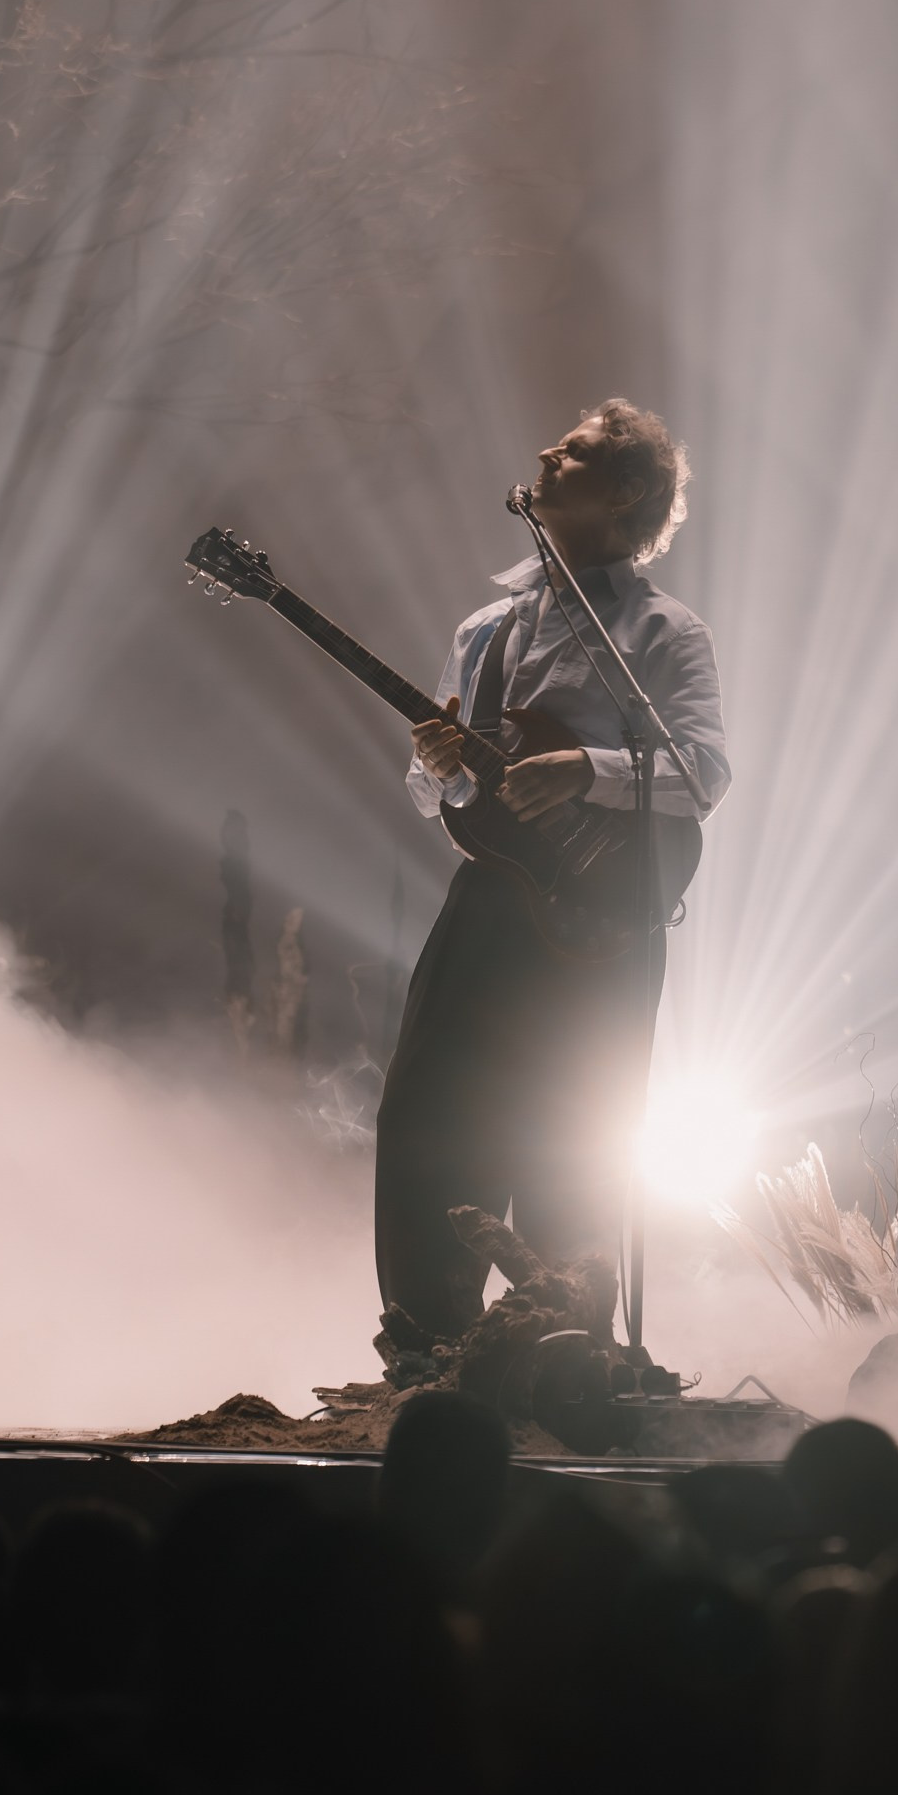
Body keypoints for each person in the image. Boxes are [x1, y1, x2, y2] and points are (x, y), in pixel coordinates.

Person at [374, 399, 729, 1346]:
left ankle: (564, 1352)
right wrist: (443, 763)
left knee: (572, 1136)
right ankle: (426, 1343)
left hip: (602, 919)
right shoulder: (486, 630)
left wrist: (584, 770)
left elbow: (702, 775)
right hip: (492, 900)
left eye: (570, 453)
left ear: (625, 493)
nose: (543, 452)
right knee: (425, 1114)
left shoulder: (664, 632)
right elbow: (435, 789)